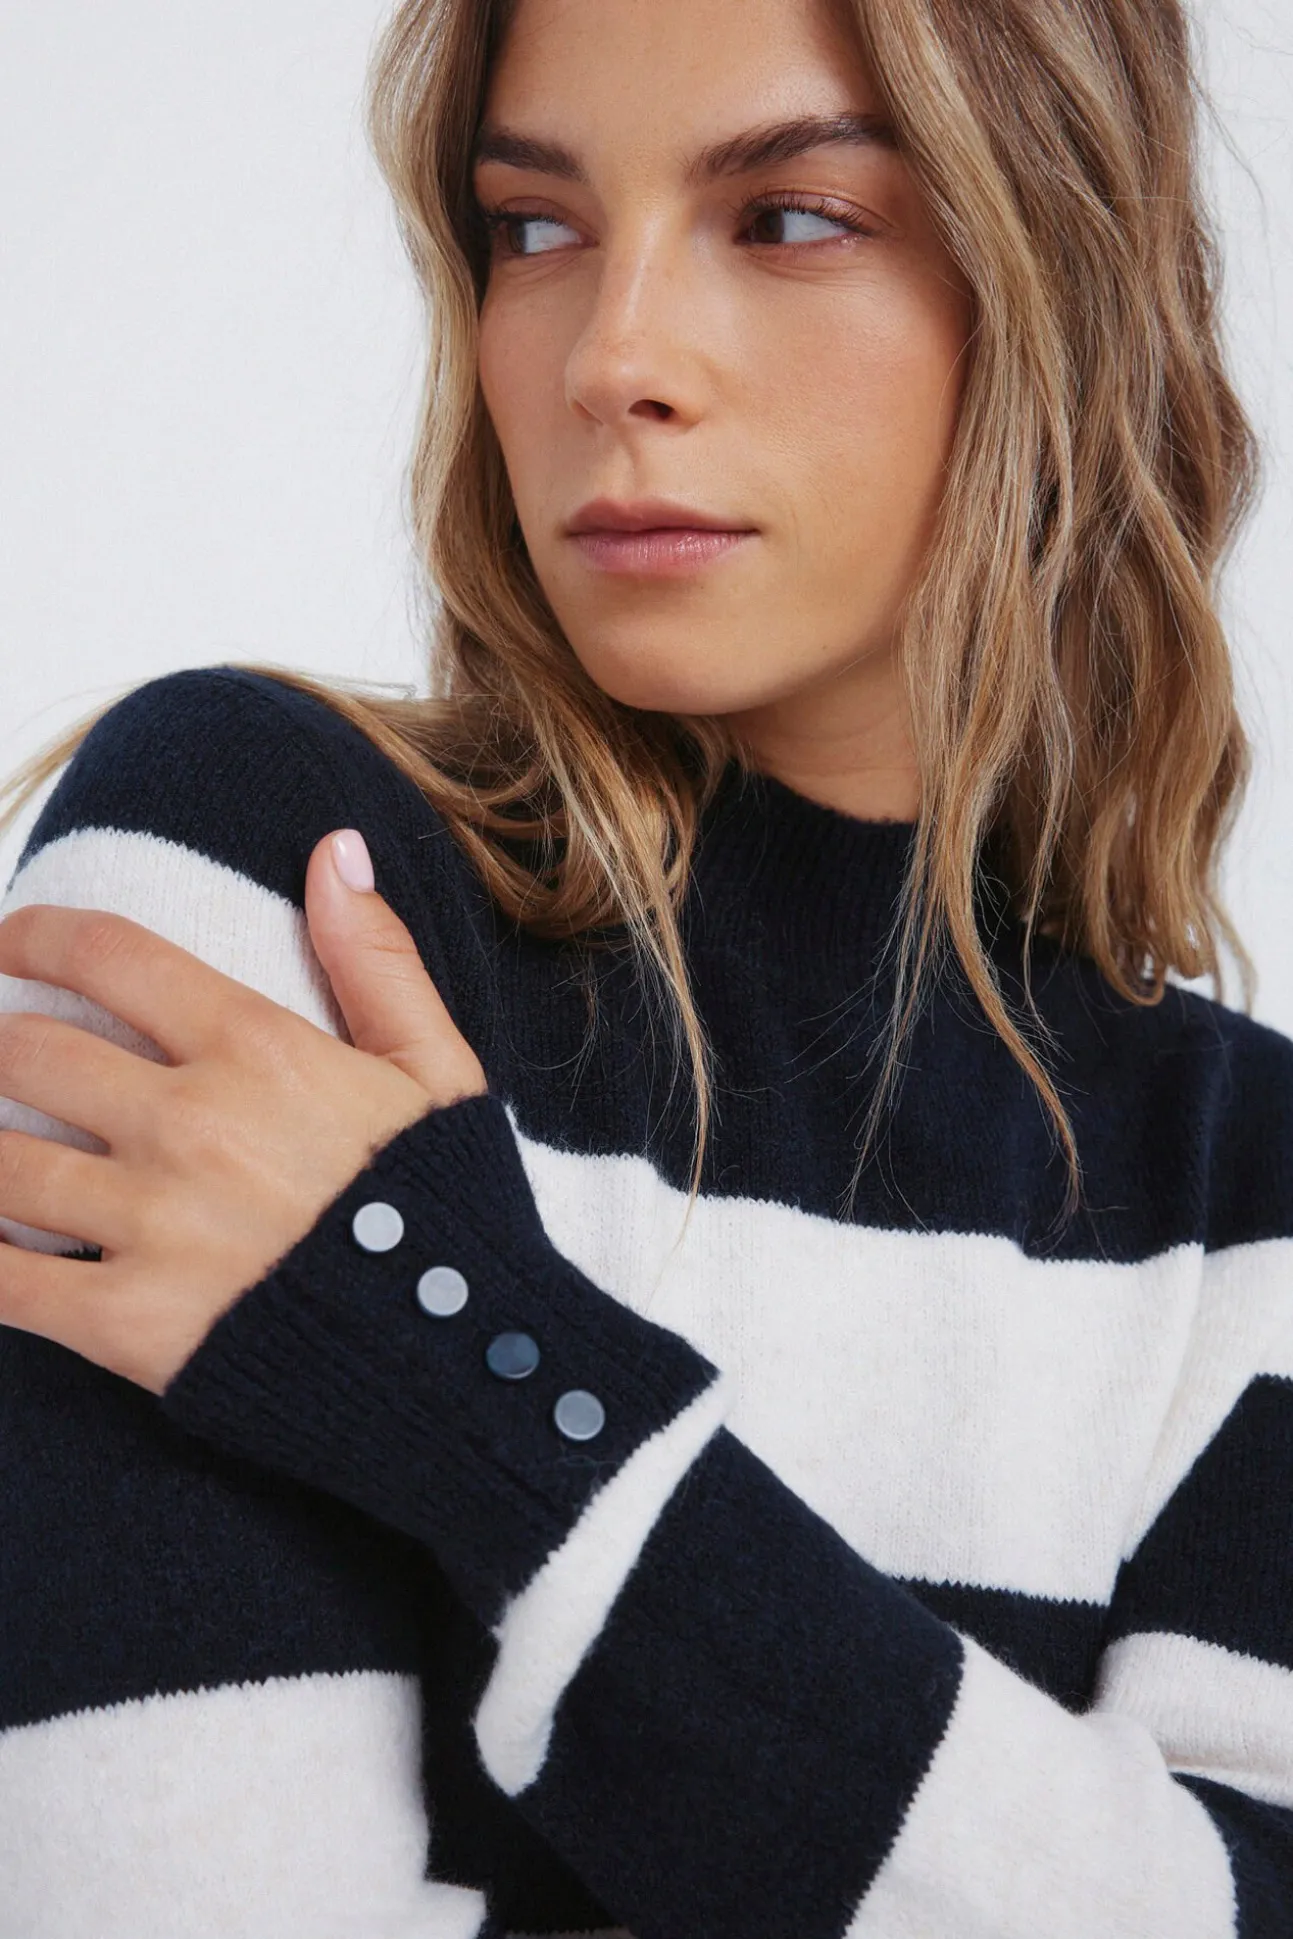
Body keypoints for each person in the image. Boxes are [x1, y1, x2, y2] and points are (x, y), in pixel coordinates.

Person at [0, 0, 1287, 1932]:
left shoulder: (1252, 1183)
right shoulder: (272, 868)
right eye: (537, 228)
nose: (611, 359)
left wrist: (468, 1365)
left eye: (791, 218)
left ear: (1059, 287)